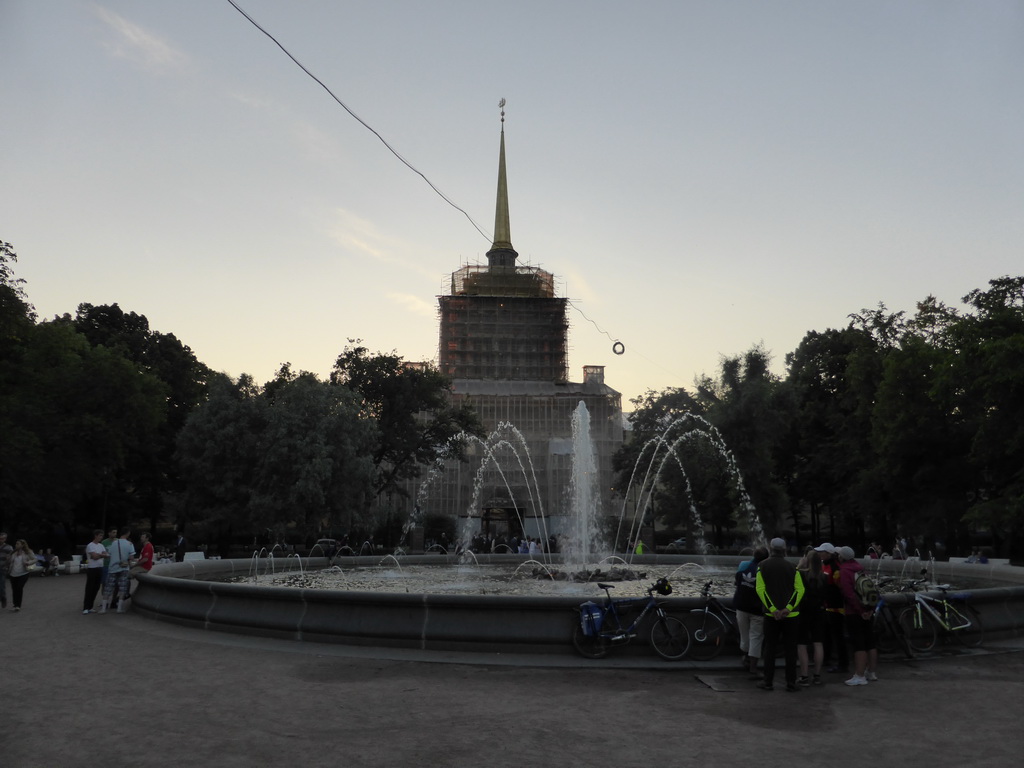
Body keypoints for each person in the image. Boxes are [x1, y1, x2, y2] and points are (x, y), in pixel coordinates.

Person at [755, 537, 805, 692]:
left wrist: (773, 609)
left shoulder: (762, 566)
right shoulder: (793, 567)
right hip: (791, 616)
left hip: (771, 616)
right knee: (790, 649)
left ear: (770, 549)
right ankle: (791, 682)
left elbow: (760, 589)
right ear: (785, 550)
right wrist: (788, 608)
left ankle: (767, 681)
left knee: (770, 648)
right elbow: (800, 589)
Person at [837, 545, 878, 686]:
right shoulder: (859, 567)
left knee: (858, 643)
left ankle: (859, 675)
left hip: (854, 612)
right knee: (870, 641)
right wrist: (869, 610)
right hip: (867, 609)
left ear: (842, 557)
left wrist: (860, 611)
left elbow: (848, 594)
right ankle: (871, 672)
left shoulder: (844, 570)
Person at [733, 546, 768, 678]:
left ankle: (745, 659)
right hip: (757, 609)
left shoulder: (743, 566)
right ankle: (753, 668)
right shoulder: (764, 570)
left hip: (741, 606)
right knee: (756, 637)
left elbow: (736, 582)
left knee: (744, 635)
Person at [796, 549, 827, 686]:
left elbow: (793, 582)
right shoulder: (824, 576)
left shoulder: (801, 574)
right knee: (818, 643)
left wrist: (799, 565)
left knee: (802, 644)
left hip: (803, 612)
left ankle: (804, 676)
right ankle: (817, 675)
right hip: (819, 612)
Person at [817, 542, 849, 675]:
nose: (819, 553)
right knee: (826, 634)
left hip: (835, 607)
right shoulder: (824, 565)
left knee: (838, 636)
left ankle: (843, 664)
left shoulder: (836, 567)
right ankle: (826, 658)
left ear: (829, 553)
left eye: (822, 551)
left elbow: (840, 587)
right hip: (826, 605)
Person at [100, 529, 136, 614]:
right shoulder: (129, 544)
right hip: (124, 568)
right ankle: (119, 608)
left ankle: (103, 608)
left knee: (108, 588)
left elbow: (109, 555)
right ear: (128, 534)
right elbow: (131, 557)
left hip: (112, 568)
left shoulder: (114, 543)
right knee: (122, 588)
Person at [6, 539, 37, 611]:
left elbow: (35, 559)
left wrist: (28, 563)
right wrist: (8, 559)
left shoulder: (27, 552)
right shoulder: (13, 553)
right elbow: (9, 562)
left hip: (23, 573)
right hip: (13, 574)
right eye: (16, 544)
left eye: (18, 544)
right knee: (14, 590)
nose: (16, 545)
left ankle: (18, 606)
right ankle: (15, 604)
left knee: (19, 588)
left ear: (22, 545)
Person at [83, 529, 107, 614]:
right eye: (100, 535)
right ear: (96, 536)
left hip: (100, 567)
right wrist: (101, 555)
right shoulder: (90, 545)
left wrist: (99, 555)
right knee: (90, 587)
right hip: (92, 568)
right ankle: (86, 607)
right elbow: (94, 556)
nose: (101, 537)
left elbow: (106, 555)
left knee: (96, 587)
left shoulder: (101, 545)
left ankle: (90, 606)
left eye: (102, 536)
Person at [0, 532, 12, 609]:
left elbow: (11, 557)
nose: (1, 540)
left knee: (1, 586)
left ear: (5, 539)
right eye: (0, 538)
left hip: (2, 568)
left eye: (2, 538)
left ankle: (3, 597)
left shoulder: (8, 547)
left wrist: (8, 565)